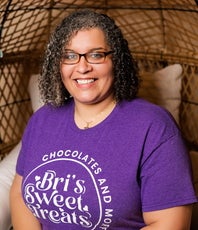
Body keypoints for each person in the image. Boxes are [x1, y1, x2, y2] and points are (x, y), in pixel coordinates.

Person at [10, 9, 197, 230]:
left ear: (116, 59)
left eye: (96, 54)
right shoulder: (43, 119)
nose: (82, 67)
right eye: (70, 55)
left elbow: (169, 224)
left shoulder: (154, 127)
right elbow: (20, 196)